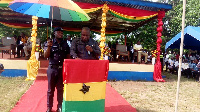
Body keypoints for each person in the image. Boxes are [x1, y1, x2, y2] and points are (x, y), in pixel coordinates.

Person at [44, 27, 70, 112]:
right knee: (50, 90)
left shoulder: (65, 44)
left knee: (60, 89)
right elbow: (45, 56)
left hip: (61, 69)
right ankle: (49, 107)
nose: (60, 34)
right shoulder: (49, 43)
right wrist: (49, 47)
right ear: (54, 33)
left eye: (62, 33)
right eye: (58, 32)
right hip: (52, 69)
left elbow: (68, 57)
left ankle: (59, 106)